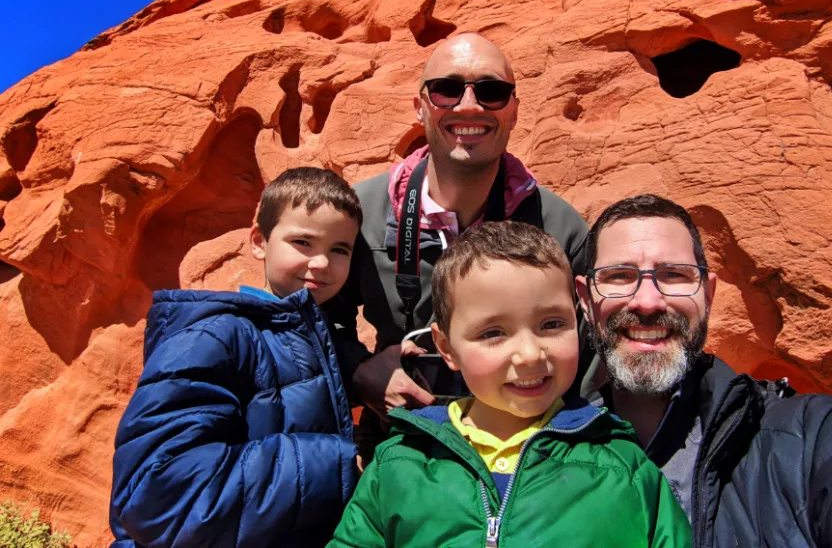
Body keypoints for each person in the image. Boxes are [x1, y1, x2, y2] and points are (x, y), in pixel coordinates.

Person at [576, 193, 832, 548]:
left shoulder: (807, 436)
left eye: (673, 275)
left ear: (708, 295)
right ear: (586, 301)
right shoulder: (541, 450)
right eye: (619, 276)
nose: (648, 301)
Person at [329, 221, 692, 547]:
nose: (530, 354)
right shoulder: (401, 463)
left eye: (551, 324)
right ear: (446, 347)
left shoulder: (621, 466)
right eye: (493, 333)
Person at [330, 33, 589, 450]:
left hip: (529, 450)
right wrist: (359, 371)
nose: (469, 106)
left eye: (492, 92)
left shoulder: (560, 227)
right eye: (447, 90)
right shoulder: (362, 213)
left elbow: (591, 355)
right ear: (420, 106)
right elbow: (309, 319)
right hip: (400, 442)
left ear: (514, 111)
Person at [109, 168, 362, 548]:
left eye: (339, 249)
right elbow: (155, 495)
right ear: (259, 241)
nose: (322, 263)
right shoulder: (214, 338)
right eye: (303, 242)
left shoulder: (312, 338)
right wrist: (337, 465)